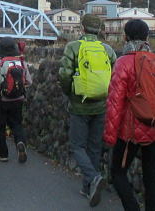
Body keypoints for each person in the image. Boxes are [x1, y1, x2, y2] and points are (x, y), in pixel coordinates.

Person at [103, 19, 155, 211]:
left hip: (130, 130)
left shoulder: (124, 62)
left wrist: (110, 136)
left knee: (118, 173)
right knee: (151, 177)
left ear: (125, 37)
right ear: (147, 37)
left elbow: (115, 102)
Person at [58, 14, 117, 207]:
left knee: (77, 146)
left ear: (82, 28)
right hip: (101, 104)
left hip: (79, 105)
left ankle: (92, 177)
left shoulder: (73, 47)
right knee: (94, 147)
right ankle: (87, 187)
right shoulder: (107, 49)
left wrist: (70, 93)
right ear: (99, 29)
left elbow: (65, 74)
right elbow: (114, 75)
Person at [0, 37, 32, 163]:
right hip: (18, 99)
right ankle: (20, 142)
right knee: (17, 124)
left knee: (0, 126)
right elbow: (29, 81)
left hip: (1, 100)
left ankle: (2, 154)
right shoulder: (22, 62)